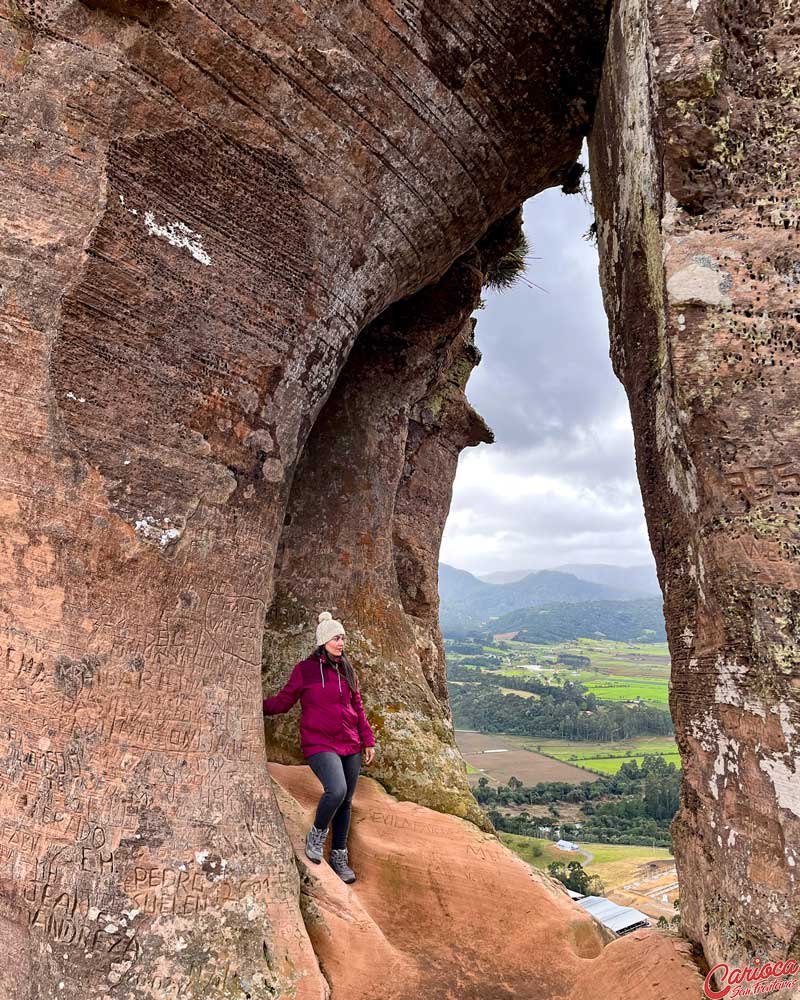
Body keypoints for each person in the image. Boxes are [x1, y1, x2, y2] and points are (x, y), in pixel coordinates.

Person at [262, 610, 376, 883]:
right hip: (319, 742)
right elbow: (284, 701)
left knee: (347, 799)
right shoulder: (305, 670)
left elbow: (357, 707)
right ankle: (316, 835)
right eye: (337, 638)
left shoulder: (348, 669)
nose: (341, 643)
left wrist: (368, 739)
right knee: (336, 790)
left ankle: (338, 855)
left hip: (350, 742)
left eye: (343, 638)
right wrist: (256, 707)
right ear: (323, 640)